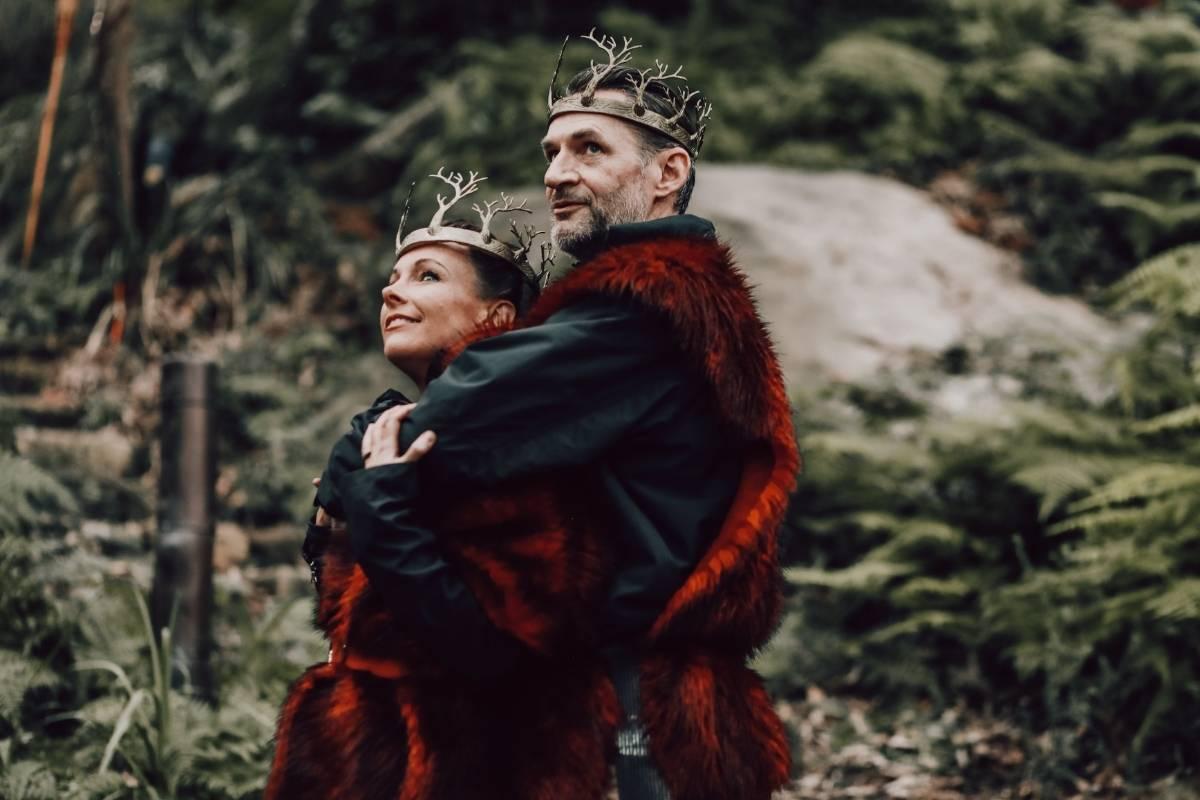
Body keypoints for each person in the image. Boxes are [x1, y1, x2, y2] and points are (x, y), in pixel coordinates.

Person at [315, 32, 800, 800]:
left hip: (641, 706)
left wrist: (367, 462)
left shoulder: (643, 310)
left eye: (588, 149)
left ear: (668, 172)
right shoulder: (661, 305)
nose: (556, 173)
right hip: (646, 697)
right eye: (551, 152)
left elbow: (452, 422)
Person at [265, 193, 614, 799]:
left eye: (427, 276)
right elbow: (357, 620)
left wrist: (380, 502)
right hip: (371, 752)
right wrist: (336, 516)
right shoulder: (398, 433)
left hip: (469, 766)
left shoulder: (521, 437)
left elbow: (490, 649)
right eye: (394, 277)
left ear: (498, 317)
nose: (391, 292)